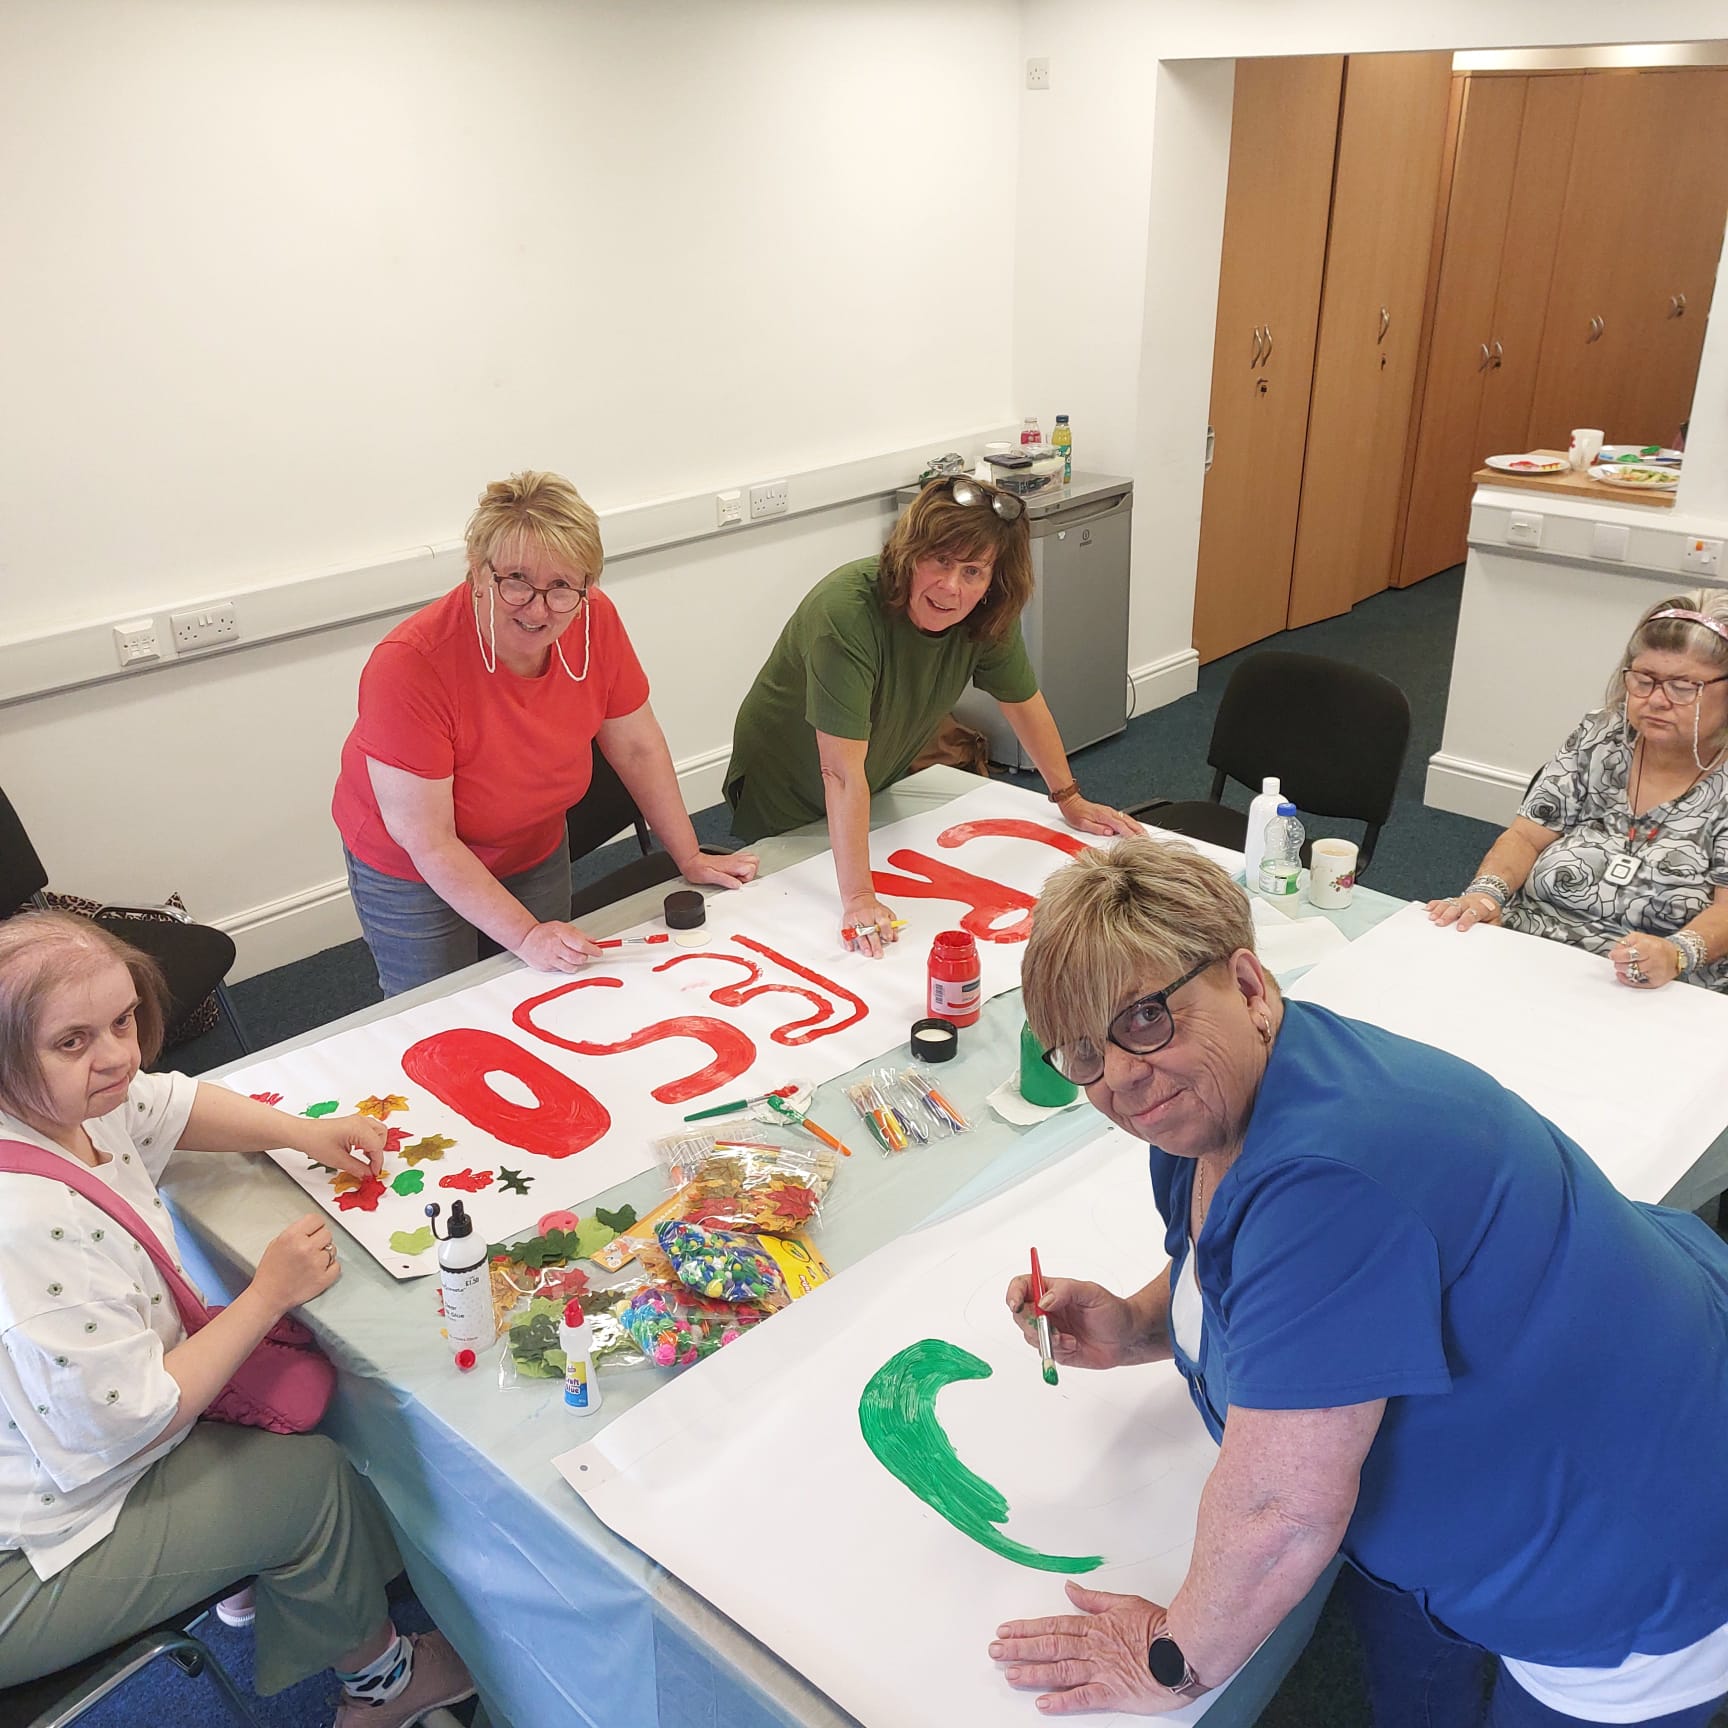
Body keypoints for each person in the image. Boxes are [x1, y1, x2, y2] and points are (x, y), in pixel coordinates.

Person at [990, 839, 1728, 1725]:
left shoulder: (1330, 1176)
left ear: (1251, 985)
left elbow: (1280, 1515)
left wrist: (1168, 1663)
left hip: (1641, 1544)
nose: (1117, 1077)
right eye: (1080, 1055)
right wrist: (1137, 1325)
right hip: (1585, 1412)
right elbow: (1236, 1268)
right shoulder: (1216, 1105)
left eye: (1146, 1018)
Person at [0, 912, 476, 1725]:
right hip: (28, 1560)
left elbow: (170, 1106)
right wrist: (268, 1293)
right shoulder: (26, 1226)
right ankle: (382, 1685)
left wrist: (305, 1134)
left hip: (70, 1447)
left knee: (279, 1415)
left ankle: (261, 1574)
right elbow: (129, 1422)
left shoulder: (65, 1100)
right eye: (73, 1042)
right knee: (314, 1482)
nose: (117, 1054)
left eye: (122, 1021)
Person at [333, 470, 757, 995]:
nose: (538, 608)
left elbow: (637, 746)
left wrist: (688, 855)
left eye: (561, 587)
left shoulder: (592, 619)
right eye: (516, 581)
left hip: (532, 841)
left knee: (545, 990)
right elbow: (429, 840)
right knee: (439, 1011)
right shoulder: (409, 666)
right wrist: (527, 933)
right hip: (415, 869)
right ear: (476, 571)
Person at [722, 475, 1140, 956]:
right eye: (939, 561)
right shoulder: (846, 613)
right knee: (793, 919)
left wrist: (1070, 798)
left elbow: (1025, 705)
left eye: (972, 571)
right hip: (789, 782)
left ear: (993, 580)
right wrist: (859, 898)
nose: (950, 587)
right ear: (907, 555)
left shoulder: (986, 616)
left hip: (873, 769)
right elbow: (837, 771)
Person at [1428, 590, 1728, 991]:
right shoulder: (1601, 735)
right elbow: (1526, 836)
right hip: (1531, 946)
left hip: (1656, 984)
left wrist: (1677, 953)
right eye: (1644, 680)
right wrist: (1485, 895)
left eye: (1683, 687)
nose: (1656, 700)